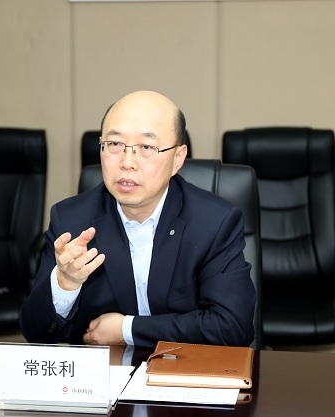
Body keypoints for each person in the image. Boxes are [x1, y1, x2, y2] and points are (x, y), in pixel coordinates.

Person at [20, 90, 256, 349]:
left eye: (146, 147)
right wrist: (65, 284)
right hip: (102, 372)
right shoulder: (71, 220)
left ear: (178, 158)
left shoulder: (213, 222)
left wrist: (127, 330)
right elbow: (36, 333)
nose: (127, 162)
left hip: (183, 370)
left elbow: (232, 327)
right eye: (114, 144)